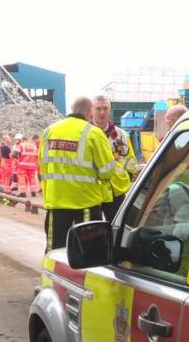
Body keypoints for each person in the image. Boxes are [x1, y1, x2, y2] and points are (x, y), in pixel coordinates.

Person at [40, 96, 127, 251]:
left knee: (55, 249)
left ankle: (53, 275)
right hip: (85, 203)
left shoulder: (49, 131)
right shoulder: (93, 133)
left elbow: (42, 164)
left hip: (56, 201)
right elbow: (106, 171)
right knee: (89, 251)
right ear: (89, 112)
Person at [91, 95, 137, 221]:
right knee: (94, 232)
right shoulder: (85, 134)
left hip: (116, 191)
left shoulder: (121, 135)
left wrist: (127, 175)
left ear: (109, 110)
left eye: (105, 108)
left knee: (117, 228)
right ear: (91, 110)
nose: (102, 112)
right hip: (93, 191)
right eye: (98, 109)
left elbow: (130, 159)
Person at [16, 132, 39, 197]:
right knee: (32, 178)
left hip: (22, 165)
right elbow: (37, 156)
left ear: (22, 140)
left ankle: (23, 192)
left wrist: (18, 159)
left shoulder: (21, 145)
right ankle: (33, 192)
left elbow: (15, 154)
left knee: (21, 178)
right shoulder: (34, 146)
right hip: (32, 165)